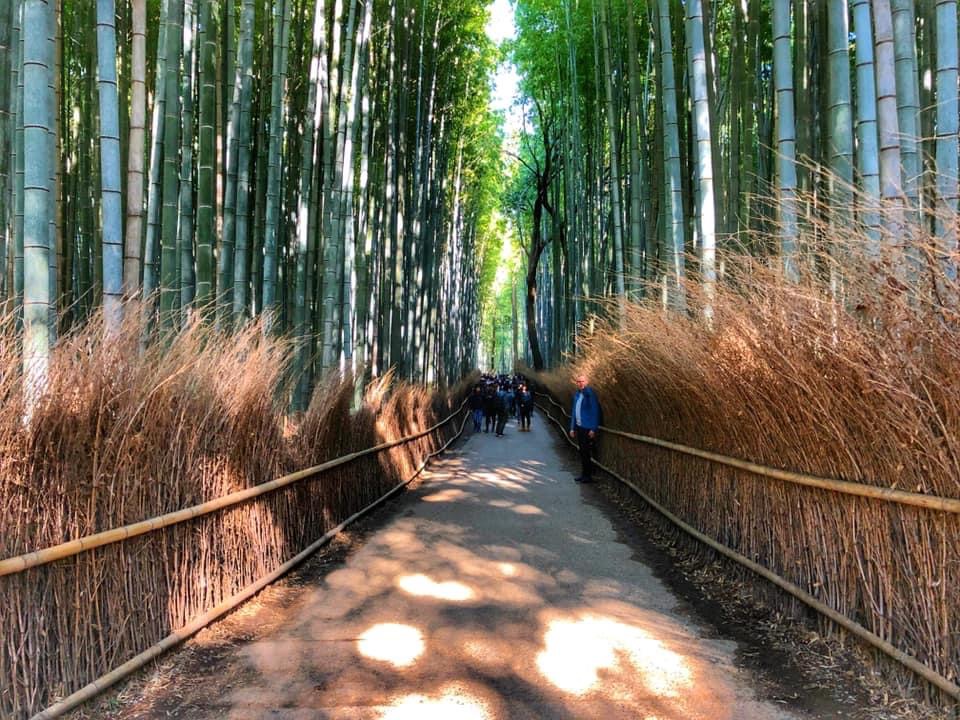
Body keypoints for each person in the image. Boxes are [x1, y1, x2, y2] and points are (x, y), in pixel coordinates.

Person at [568, 373, 601, 482]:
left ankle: (588, 476)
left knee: (586, 452)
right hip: (579, 426)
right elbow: (574, 412)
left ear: (587, 382)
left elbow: (595, 411)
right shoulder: (577, 394)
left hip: (587, 427)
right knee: (582, 452)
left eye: (582, 381)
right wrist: (572, 428)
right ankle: (584, 474)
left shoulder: (589, 393)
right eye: (578, 382)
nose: (580, 383)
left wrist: (593, 428)